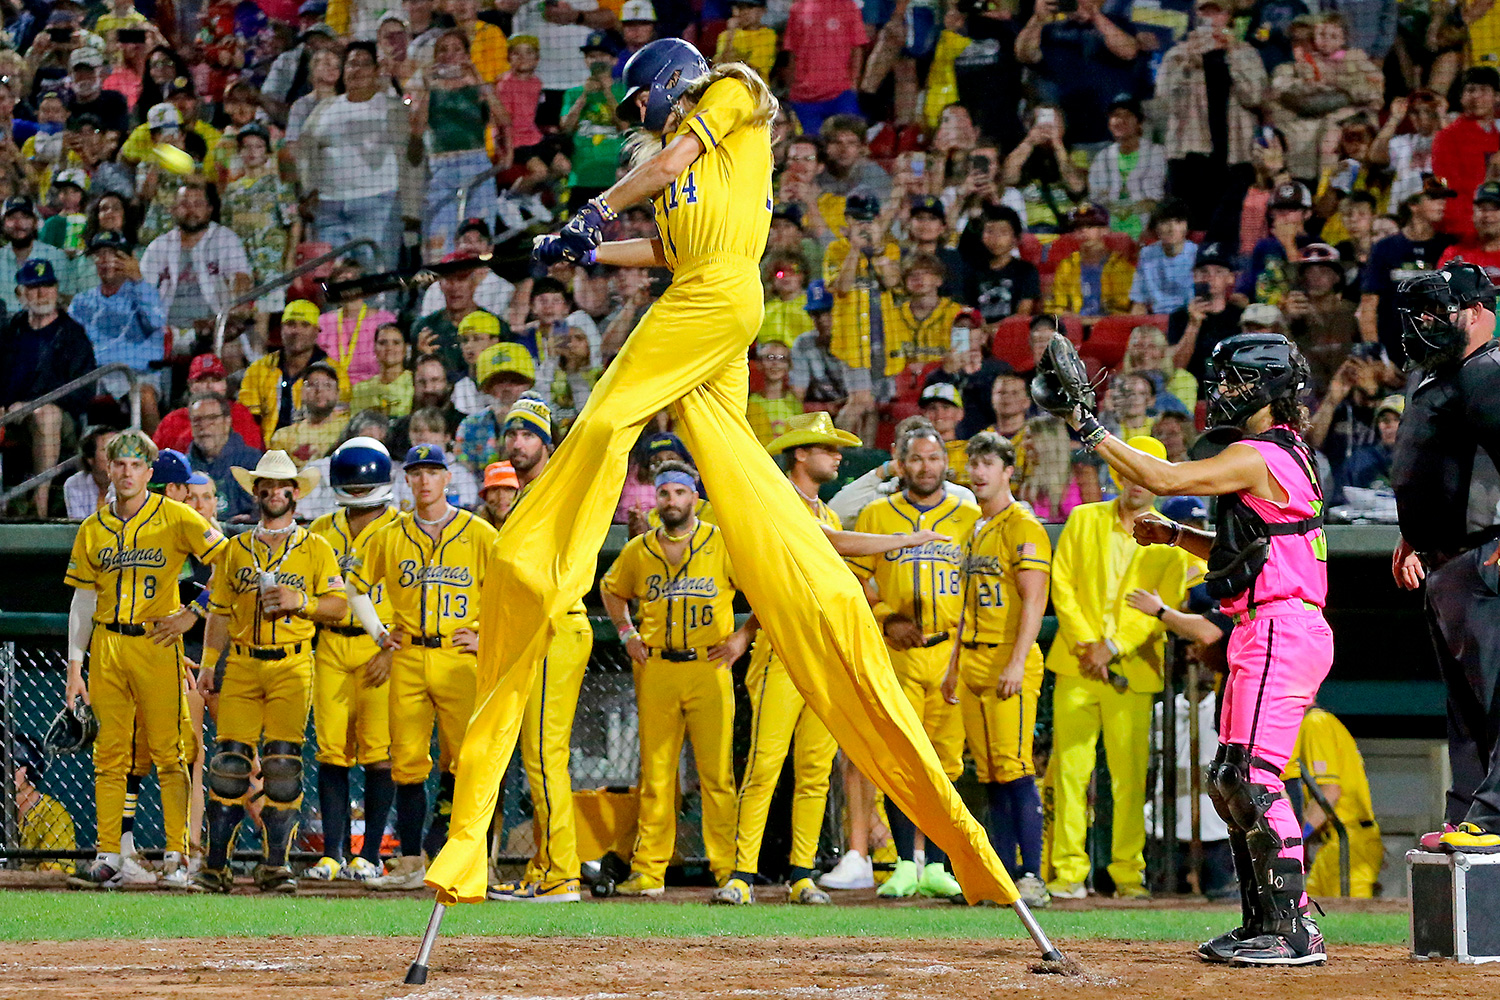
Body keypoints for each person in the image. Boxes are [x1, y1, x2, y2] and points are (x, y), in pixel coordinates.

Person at [427, 38, 1028, 912]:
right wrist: (584, 250)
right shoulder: (688, 185)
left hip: (716, 296)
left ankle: (538, 560)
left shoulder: (734, 93)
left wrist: (593, 210)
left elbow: (670, 164)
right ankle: (818, 565)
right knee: (746, 485)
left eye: (641, 109)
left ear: (669, 85)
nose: (644, 127)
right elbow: (660, 242)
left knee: (601, 420)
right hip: (709, 300)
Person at [1034, 330, 1332, 963]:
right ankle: (1264, 924)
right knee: (1230, 778)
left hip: (1281, 625)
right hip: (1265, 625)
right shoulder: (1275, 457)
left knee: (1252, 777)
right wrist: (1177, 537)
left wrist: (1088, 426)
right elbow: (1249, 550)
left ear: (1271, 389)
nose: (1221, 393)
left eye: (1234, 382)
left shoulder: (1265, 453)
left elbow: (1163, 476)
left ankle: (1294, 929)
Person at [713, 413, 949, 904]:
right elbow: (832, 545)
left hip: (823, 654)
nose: (837, 456)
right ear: (800, 453)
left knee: (816, 769)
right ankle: (742, 875)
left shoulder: (825, 509)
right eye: (827, 448)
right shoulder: (777, 501)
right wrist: (904, 540)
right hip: (783, 652)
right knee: (765, 764)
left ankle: (801, 873)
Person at [63, 430, 226, 888]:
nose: (128, 472)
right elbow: (81, 601)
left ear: (149, 473)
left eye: (137, 465)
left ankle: (177, 856)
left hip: (157, 643)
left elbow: (228, 561)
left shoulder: (176, 516)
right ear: (109, 470)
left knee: (171, 753)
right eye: (120, 464)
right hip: (107, 645)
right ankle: (110, 854)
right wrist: (76, 667)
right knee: (109, 756)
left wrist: (193, 613)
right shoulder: (93, 527)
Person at [345, 444, 501, 890]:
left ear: (448, 478)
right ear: (407, 480)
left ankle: (474, 863)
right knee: (408, 764)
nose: (425, 480)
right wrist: (379, 634)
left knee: (472, 762)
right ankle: (412, 863)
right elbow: (355, 587)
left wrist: (486, 637)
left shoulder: (479, 532)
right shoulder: (388, 535)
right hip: (409, 655)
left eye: (433, 471)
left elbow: (508, 593)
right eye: (417, 473)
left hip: (459, 658)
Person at [1043, 435, 1190, 902]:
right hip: (1076, 665)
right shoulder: (1084, 519)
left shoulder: (1171, 538)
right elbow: (1061, 582)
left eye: (1146, 472)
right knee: (1069, 771)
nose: (1135, 480)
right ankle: (1067, 873)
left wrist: (1113, 645)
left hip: (1131, 670)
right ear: (1118, 474)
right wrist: (1089, 646)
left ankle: (1128, 873)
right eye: (1129, 470)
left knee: (1129, 779)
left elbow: (1167, 604)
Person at [191, 452, 345, 894]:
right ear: (255, 491)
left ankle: (275, 866)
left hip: (293, 663)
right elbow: (218, 612)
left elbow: (337, 605)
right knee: (228, 766)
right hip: (240, 662)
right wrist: (207, 666)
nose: (274, 492)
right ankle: (216, 866)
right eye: (266, 485)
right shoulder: (236, 548)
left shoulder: (317, 548)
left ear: (296, 493)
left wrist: (305, 604)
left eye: (283, 485)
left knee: (282, 766)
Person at [601, 459, 755, 894]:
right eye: (664, 493)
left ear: (695, 498)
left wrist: (743, 637)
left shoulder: (721, 542)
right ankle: (649, 871)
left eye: (680, 493)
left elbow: (763, 588)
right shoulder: (638, 549)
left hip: (711, 666)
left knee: (717, 776)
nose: (672, 501)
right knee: (656, 775)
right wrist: (627, 633)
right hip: (658, 668)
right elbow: (611, 591)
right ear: (656, 498)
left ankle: (728, 870)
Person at [1389, 262, 1500, 858]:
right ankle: (1472, 810)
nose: (1427, 324)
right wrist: (1412, 535)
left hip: (1484, 558)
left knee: (1498, 691)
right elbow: (1433, 467)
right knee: (1465, 703)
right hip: (1443, 563)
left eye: (1442, 310)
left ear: (1481, 312)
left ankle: (1496, 809)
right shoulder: (1441, 376)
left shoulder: (1488, 373)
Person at [850, 426, 979, 900]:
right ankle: (905, 863)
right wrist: (886, 618)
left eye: (933, 458)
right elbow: (856, 581)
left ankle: (940, 865)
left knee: (947, 764)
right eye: (916, 459)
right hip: (898, 653)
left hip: (951, 652)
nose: (926, 467)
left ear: (946, 462)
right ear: (900, 465)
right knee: (902, 756)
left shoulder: (969, 515)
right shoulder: (875, 514)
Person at [486, 395, 593, 903]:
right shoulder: (529, 495)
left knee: (545, 756)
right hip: (540, 632)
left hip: (557, 625)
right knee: (538, 756)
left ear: (547, 444)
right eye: (511, 433)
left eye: (528, 434)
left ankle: (562, 875)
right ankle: (546, 867)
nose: (517, 442)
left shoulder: (554, 489)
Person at [941, 431, 1051, 909]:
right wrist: (952, 666)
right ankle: (1001, 877)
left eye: (989, 463)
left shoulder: (1023, 525)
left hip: (1009, 656)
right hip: (971, 658)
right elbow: (965, 603)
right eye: (975, 463)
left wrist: (1018, 660)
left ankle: (1032, 876)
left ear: (1009, 470)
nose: (979, 472)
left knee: (1016, 768)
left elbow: (1035, 599)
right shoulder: (975, 529)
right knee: (987, 772)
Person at [304, 438, 401, 884]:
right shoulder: (321, 529)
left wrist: (391, 648)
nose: (359, 491)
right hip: (331, 644)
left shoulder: (403, 528)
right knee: (332, 752)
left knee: (380, 754)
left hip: (382, 649)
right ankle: (333, 853)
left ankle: (372, 854)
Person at [295, 41, 412, 273]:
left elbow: (412, 144)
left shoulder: (392, 107)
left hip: (377, 205)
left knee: (377, 280)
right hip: (329, 210)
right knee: (333, 281)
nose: (356, 70)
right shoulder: (325, 108)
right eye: (351, 64)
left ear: (376, 70)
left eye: (364, 64)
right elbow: (305, 150)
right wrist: (307, 191)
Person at [0, 258, 96, 516]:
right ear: (21, 293)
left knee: (46, 415)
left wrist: (32, 406)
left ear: (56, 289)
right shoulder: (10, 330)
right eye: (33, 287)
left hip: (60, 422)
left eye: (47, 286)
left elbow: (83, 392)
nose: (41, 293)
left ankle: (39, 505)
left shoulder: (73, 334)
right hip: (11, 417)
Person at [137, 181, 252, 353]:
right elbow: (143, 289)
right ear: (173, 209)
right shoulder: (159, 246)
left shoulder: (225, 239)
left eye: (198, 204)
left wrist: (232, 312)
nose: (191, 211)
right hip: (168, 333)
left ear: (209, 209)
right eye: (184, 204)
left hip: (215, 331)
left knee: (232, 352)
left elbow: (241, 278)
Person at [68, 231, 167, 428]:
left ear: (130, 260)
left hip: (136, 374)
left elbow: (157, 322)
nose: (105, 260)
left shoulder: (144, 292)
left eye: (114, 254)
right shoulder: (82, 301)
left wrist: (138, 279)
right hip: (93, 377)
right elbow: (68, 341)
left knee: (144, 396)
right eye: (100, 254)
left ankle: (157, 456)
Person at [1284, 706, 1383, 897]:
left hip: (1349, 843)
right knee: (1311, 916)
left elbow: (1329, 792)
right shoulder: (1318, 722)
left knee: (1352, 921)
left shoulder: (1316, 723)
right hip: (1334, 844)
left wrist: (1296, 842)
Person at [239, 300, 350, 446]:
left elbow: (338, 423)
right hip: (267, 454)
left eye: (305, 325)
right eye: (291, 324)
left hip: (315, 451)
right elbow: (247, 419)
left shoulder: (335, 374)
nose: (297, 331)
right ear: (281, 329)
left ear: (317, 331)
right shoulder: (259, 369)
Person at [1430, 67, 1500, 242]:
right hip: (1461, 233)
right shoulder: (1446, 137)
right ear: (1461, 97)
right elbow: (1445, 190)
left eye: (1483, 90)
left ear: (1497, 97)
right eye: (1470, 90)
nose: (1475, 96)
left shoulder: (1497, 139)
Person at [454, 343, 540, 477]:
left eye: (514, 381)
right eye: (499, 382)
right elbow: (464, 474)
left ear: (528, 384)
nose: (507, 389)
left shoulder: (542, 421)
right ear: (486, 388)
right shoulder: (470, 426)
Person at [154, 353, 264, 453]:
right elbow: (154, 458)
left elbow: (251, 453)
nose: (209, 386)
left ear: (225, 385)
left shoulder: (241, 414)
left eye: (216, 380)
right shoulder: (173, 421)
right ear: (190, 386)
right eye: (201, 380)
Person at [1169, 242, 1244, 381]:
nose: (1210, 277)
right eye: (1204, 272)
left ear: (1230, 278)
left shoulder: (1241, 316)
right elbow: (1175, 369)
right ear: (1194, 276)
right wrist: (1193, 324)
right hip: (1193, 390)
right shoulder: (1179, 317)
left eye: (1218, 272)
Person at [1046, 203, 1136, 317]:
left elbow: (1122, 310)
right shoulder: (1067, 266)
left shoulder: (1120, 266)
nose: (1083, 231)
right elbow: (1058, 306)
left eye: (1089, 226)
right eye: (1078, 227)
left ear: (1105, 230)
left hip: (1108, 328)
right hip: (1075, 328)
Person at [185, 393, 264, 521]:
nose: (204, 425)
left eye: (212, 418)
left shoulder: (253, 461)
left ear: (227, 421)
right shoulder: (184, 467)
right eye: (197, 419)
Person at [12, 733, 78, 874]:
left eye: (11, 767)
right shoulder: (4, 809)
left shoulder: (53, 815)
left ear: (25, 771)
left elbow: (54, 875)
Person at [0, 196, 74, 316]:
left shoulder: (56, 256)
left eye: (25, 217)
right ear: (3, 224)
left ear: (35, 223)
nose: (18, 224)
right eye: (12, 218)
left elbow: (69, 301)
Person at [268, 362, 349, 468]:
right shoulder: (283, 436)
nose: (319, 390)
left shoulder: (349, 428)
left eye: (327, 385)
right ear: (302, 392)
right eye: (312, 385)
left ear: (337, 393)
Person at [1130, 200, 1197, 316]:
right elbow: (1139, 301)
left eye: (1178, 222)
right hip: (1156, 319)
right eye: (1165, 222)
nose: (1172, 229)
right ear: (1156, 227)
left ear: (1186, 227)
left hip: (1188, 316)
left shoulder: (1197, 255)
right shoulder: (1147, 254)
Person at [349, 323, 415, 419]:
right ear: (374, 348)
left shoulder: (415, 383)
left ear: (405, 348)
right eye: (383, 343)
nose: (389, 348)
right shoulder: (360, 390)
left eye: (396, 343)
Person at [1439, 182, 1500, 275]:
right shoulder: (1454, 255)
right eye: (1482, 208)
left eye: (1495, 209)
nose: (1487, 215)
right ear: (1473, 213)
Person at [63, 427, 118, 518]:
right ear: (90, 458)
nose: (114, 455)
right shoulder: (74, 483)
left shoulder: (129, 481)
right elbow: (78, 524)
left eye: (117, 449)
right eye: (106, 450)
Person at [477, 460, 519, 527]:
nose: (501, 496)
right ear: (485, 496)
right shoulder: (474, 531)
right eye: (494, 489)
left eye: (509, 489)